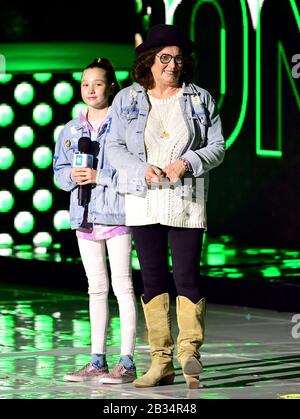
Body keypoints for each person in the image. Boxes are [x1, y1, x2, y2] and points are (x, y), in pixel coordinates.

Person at [105, 24, 225, 389]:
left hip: (185, 200)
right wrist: (142, 169)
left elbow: (218, 147)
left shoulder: (199, 98)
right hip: (143, 200)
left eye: (178, 58)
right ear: (149, 61)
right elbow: (113, 147)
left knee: (187, 276)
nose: (173, 64)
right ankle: (160, 361)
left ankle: (189, 353)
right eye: (164, 58)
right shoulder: (127, 98)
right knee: (153, 279)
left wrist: (187, 162)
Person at [53, 58, 137, 384]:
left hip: (116, 214)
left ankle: (127, 362)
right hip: (84, 217)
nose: (91, 90)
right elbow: (60, 172)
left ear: (111, 86)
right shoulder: (72, 129)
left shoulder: (124, 126)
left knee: (123, 286)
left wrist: (100, 175)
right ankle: (97, 359)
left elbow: (132, 172)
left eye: (98, 84)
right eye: (85, 84)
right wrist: (72, 176)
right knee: (96, 288)